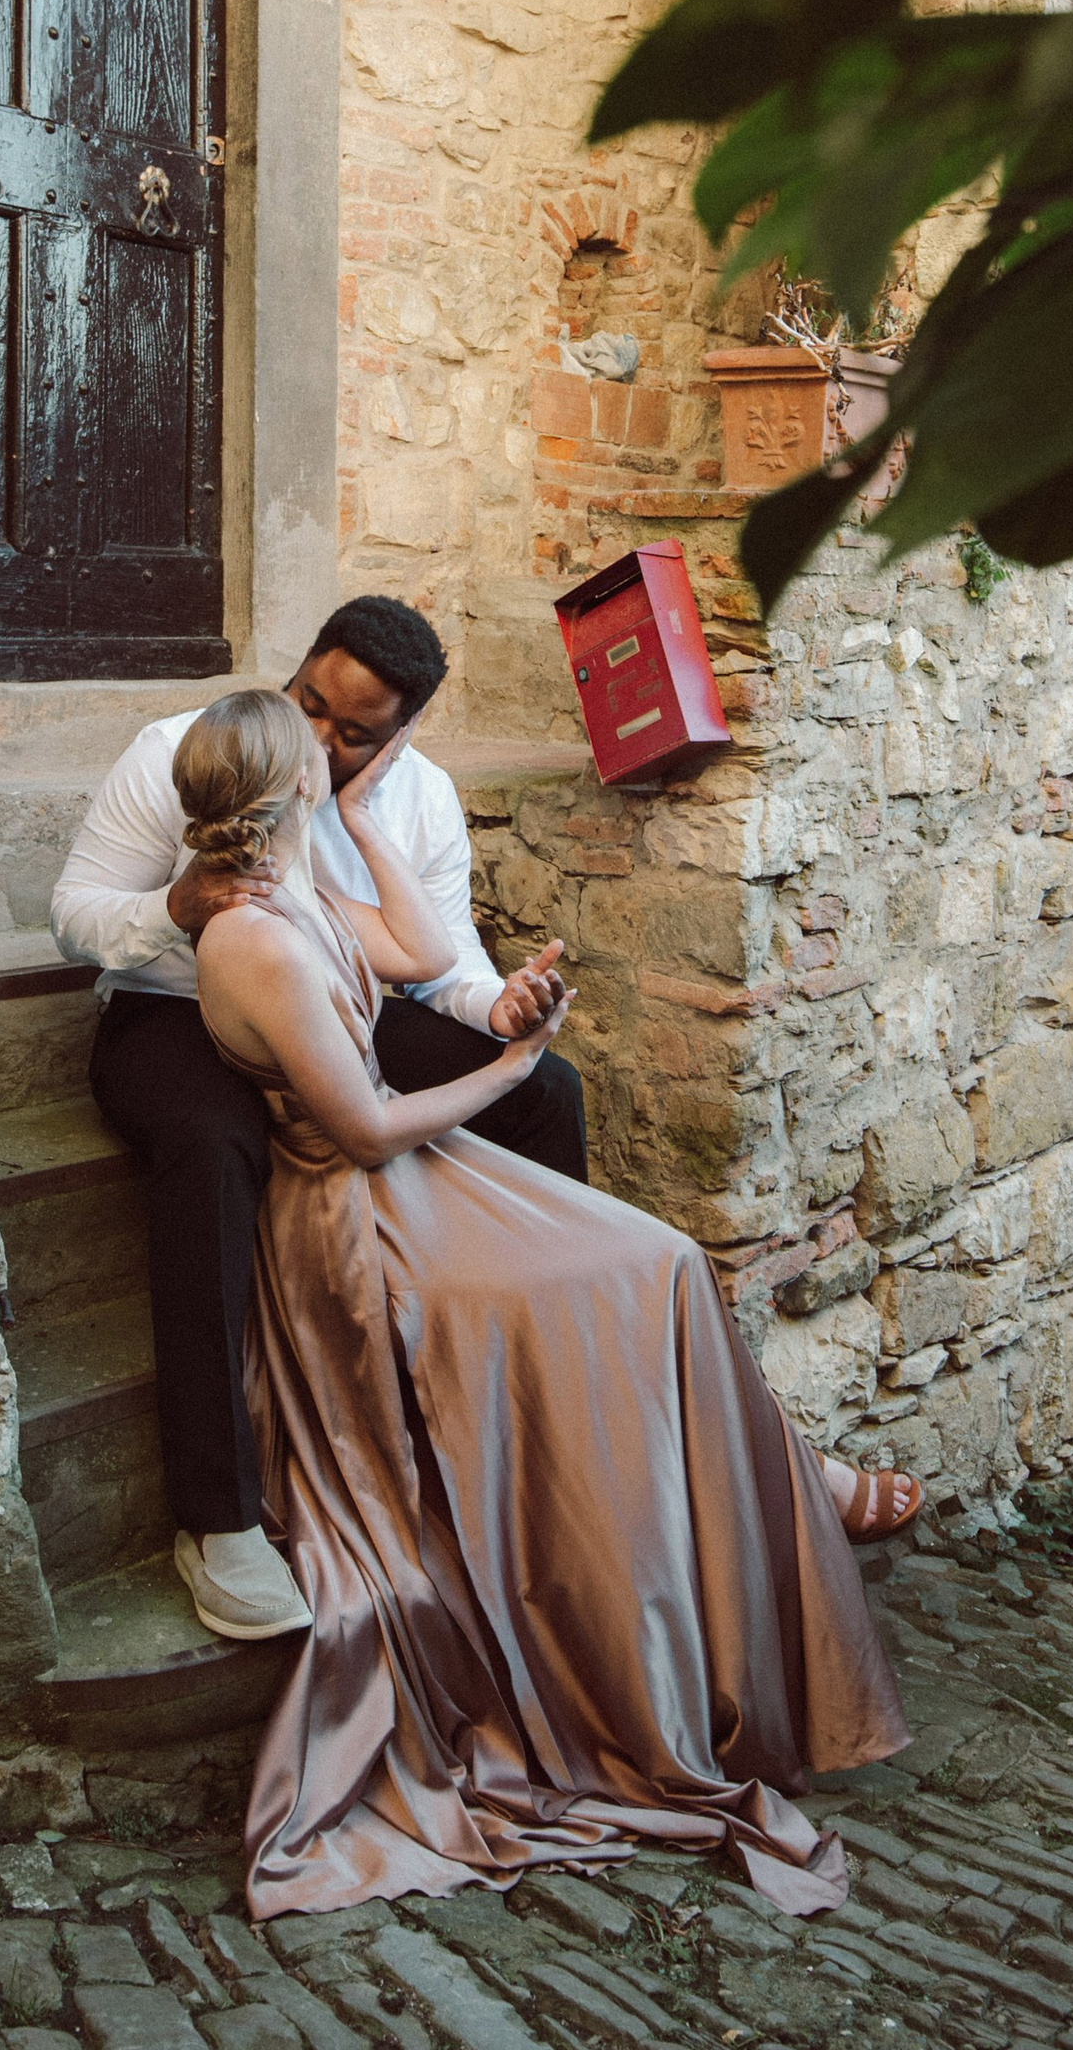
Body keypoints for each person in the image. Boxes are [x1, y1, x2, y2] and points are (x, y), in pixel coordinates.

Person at [172, 682, 912, 1913]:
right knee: (621, 1281)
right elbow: (357, 1130)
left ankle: (772, 1494)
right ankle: (737, 1520)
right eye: (318, 749)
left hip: (418, 1175)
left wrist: (356, 819)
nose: (335, 749)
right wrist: (511, 1067)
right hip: (358, 1222)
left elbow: (420, 951)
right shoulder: (247, 934)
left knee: (662, 1260)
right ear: (279, 779)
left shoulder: (297, 888)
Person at [52, 596, 583, 1644]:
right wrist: (178, 907)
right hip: (168, 1008)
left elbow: (443, 963)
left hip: (337, 1008)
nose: (322, 741)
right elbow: (74, 913)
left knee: (545, 1089)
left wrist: (498, 1012)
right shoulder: (181, 751)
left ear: (402, 732)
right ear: (294, 679)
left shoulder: (417, 802)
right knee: (211, 1148)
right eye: (310, 707)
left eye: (356, 732)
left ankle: (533, 1390)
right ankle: (218, 1521)